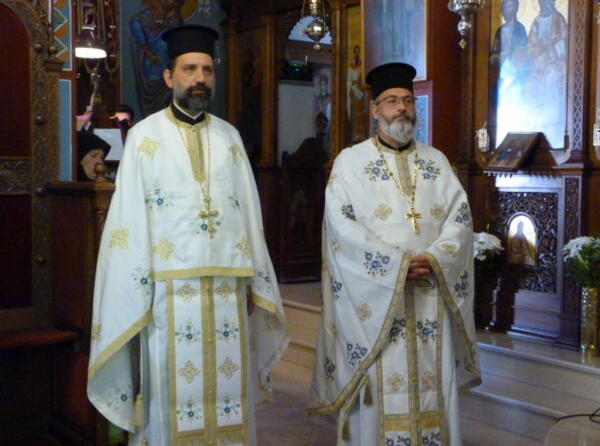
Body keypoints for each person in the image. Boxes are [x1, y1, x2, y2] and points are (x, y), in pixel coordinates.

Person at [87, 24, 288, 445]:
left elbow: (249, 213)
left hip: (228, 291)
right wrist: (136, 288)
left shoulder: (230, 138)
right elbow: (128, 222)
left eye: (207, 70)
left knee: (230, 393)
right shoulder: (144, 138)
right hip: (169, 293)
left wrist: (255, 280)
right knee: (173, 398)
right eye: (190, 69)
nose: (200, 78)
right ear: (169, 77)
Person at [310, 62, 480, 445]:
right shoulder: (350, 163)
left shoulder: (437, 162)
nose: (401, 108)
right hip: (375, 302)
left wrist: (435, 258)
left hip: (431, 294)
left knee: (432, 383)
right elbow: (341, 228)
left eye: (407, 100)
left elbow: (460, 219)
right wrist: (396, 265)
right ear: (375, 110)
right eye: (391, 101)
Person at [525, 0, 568, 147]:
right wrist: (540, 49)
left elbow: (564, 43)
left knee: (552, 80)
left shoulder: (559, 19)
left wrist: (555, 47)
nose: (546, 3)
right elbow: (530, 48)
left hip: (556, 64)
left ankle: (554, 133)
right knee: (528, 85)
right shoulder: (536, 22)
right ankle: (536, 133)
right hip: (538, 66)